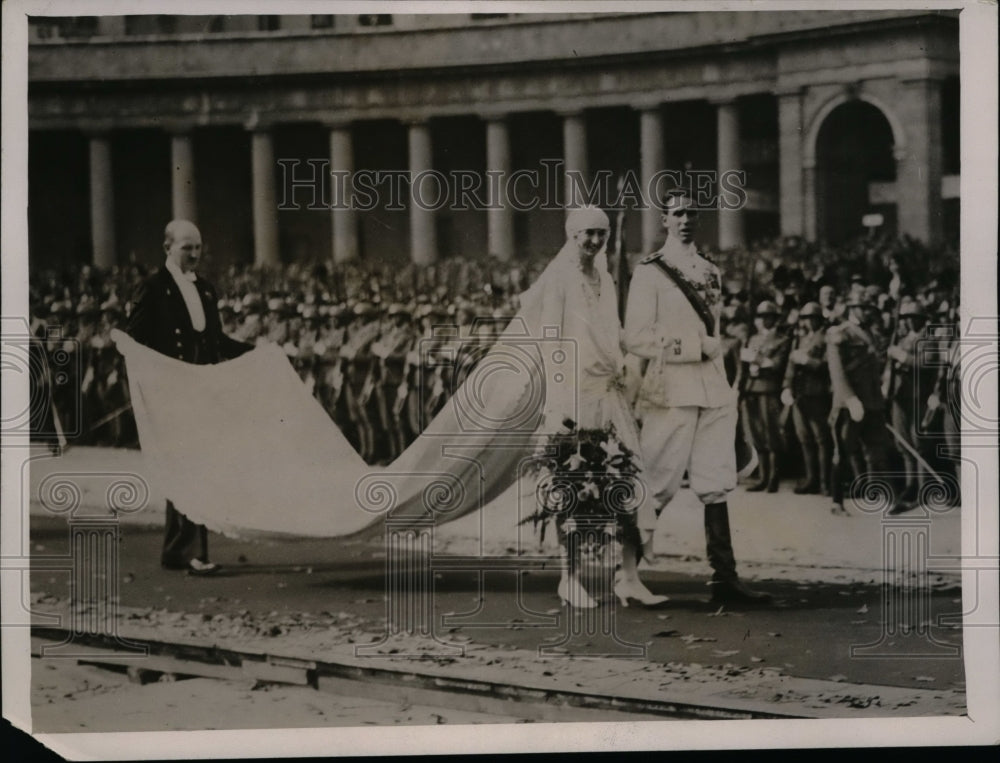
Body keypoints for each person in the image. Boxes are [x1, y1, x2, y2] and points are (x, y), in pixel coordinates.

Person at [624, 191, 770, 606]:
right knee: (657, 482)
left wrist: (722, 380)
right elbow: (635, 337)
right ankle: (626, 573)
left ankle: (725, 578)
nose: (687, 219)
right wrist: (692, 345)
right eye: (678, 213)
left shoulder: (710, 270)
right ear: (664, 221)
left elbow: (717, 336)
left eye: (692, 213)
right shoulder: (650, 272)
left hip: (712, 387)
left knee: (717, 480)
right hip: (670, 388)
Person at [126, 220, 252, 575]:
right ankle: (189, 552)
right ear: (167, 247)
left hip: (203, 392)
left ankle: (178, 550)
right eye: (187, 248)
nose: (195, 254)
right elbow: (133, 340)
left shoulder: (207, 290)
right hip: (172, 394)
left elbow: (217, 341)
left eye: (198, 247)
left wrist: (258, 352)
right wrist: (157, 382)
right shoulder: (152, 288)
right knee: (188, 469)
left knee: (197, 469)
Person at [827, 291, 906, 516]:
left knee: (878, 451)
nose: (867, 312)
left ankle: (893, 500)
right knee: (842, 451)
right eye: (863, 308)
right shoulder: (839, 334)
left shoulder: (869, 334)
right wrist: (850, 398)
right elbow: (837, 372)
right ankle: (836, 502)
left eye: (869, 309)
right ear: (853, 308)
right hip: (849, 404)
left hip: (871, 403)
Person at [781, 301, 833, 495]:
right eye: (805, 318)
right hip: (799, 393)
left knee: (821, 438)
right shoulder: (801, 338)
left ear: (819, 319)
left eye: (812, 318)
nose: (808, 322)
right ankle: (811, 479)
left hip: (817, 392)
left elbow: (828, 364)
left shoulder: (826, 337)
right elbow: (791, 364)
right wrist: (787, 385)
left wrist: (807, 360)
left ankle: (824, 482)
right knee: (804, 438)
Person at [740, 300, 790, 493]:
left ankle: (773, 479)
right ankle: (762, 477)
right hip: (751, 388)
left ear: (774, 319)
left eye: (767, 317)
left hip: (769, 388)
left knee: (772, 434)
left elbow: (776, 365)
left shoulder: (781, 340)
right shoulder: (753, 339)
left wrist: (757, 360)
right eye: (760, 317)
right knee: (756, 434)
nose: (763, 320)